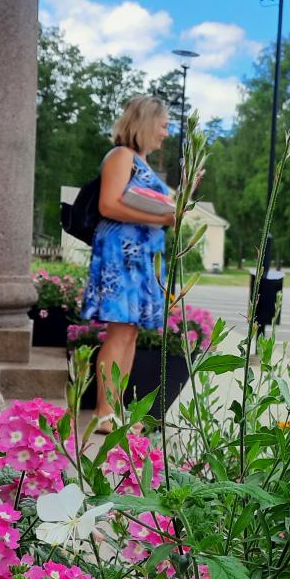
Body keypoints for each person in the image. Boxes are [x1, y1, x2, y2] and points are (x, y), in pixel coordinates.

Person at [81, 96, 176, 434]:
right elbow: (109, 205)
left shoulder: (142, 162)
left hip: (140, 257)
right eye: (164, 125)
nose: (166, 133)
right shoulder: (121, 156)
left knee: (130, 334)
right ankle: (104, 411)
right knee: (119, 332)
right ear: (146, 122)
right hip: (121, 254)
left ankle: (115, 408)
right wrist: (165, 216)